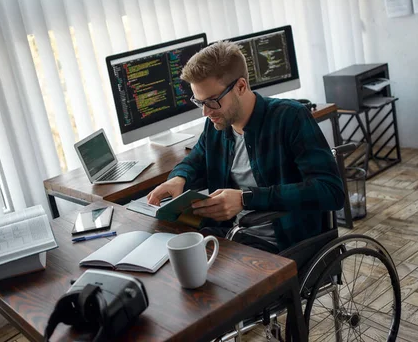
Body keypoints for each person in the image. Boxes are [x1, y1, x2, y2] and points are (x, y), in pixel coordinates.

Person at [147, 41, 345, 252]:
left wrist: (245, 199)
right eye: (199, 102)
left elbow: (331, 191)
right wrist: (180, 178)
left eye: (212, 101)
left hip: (283, 244)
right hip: (230, 236)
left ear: (241, 86)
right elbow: (197, 159)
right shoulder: (216, 124)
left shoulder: (290, 117)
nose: (205, 112)